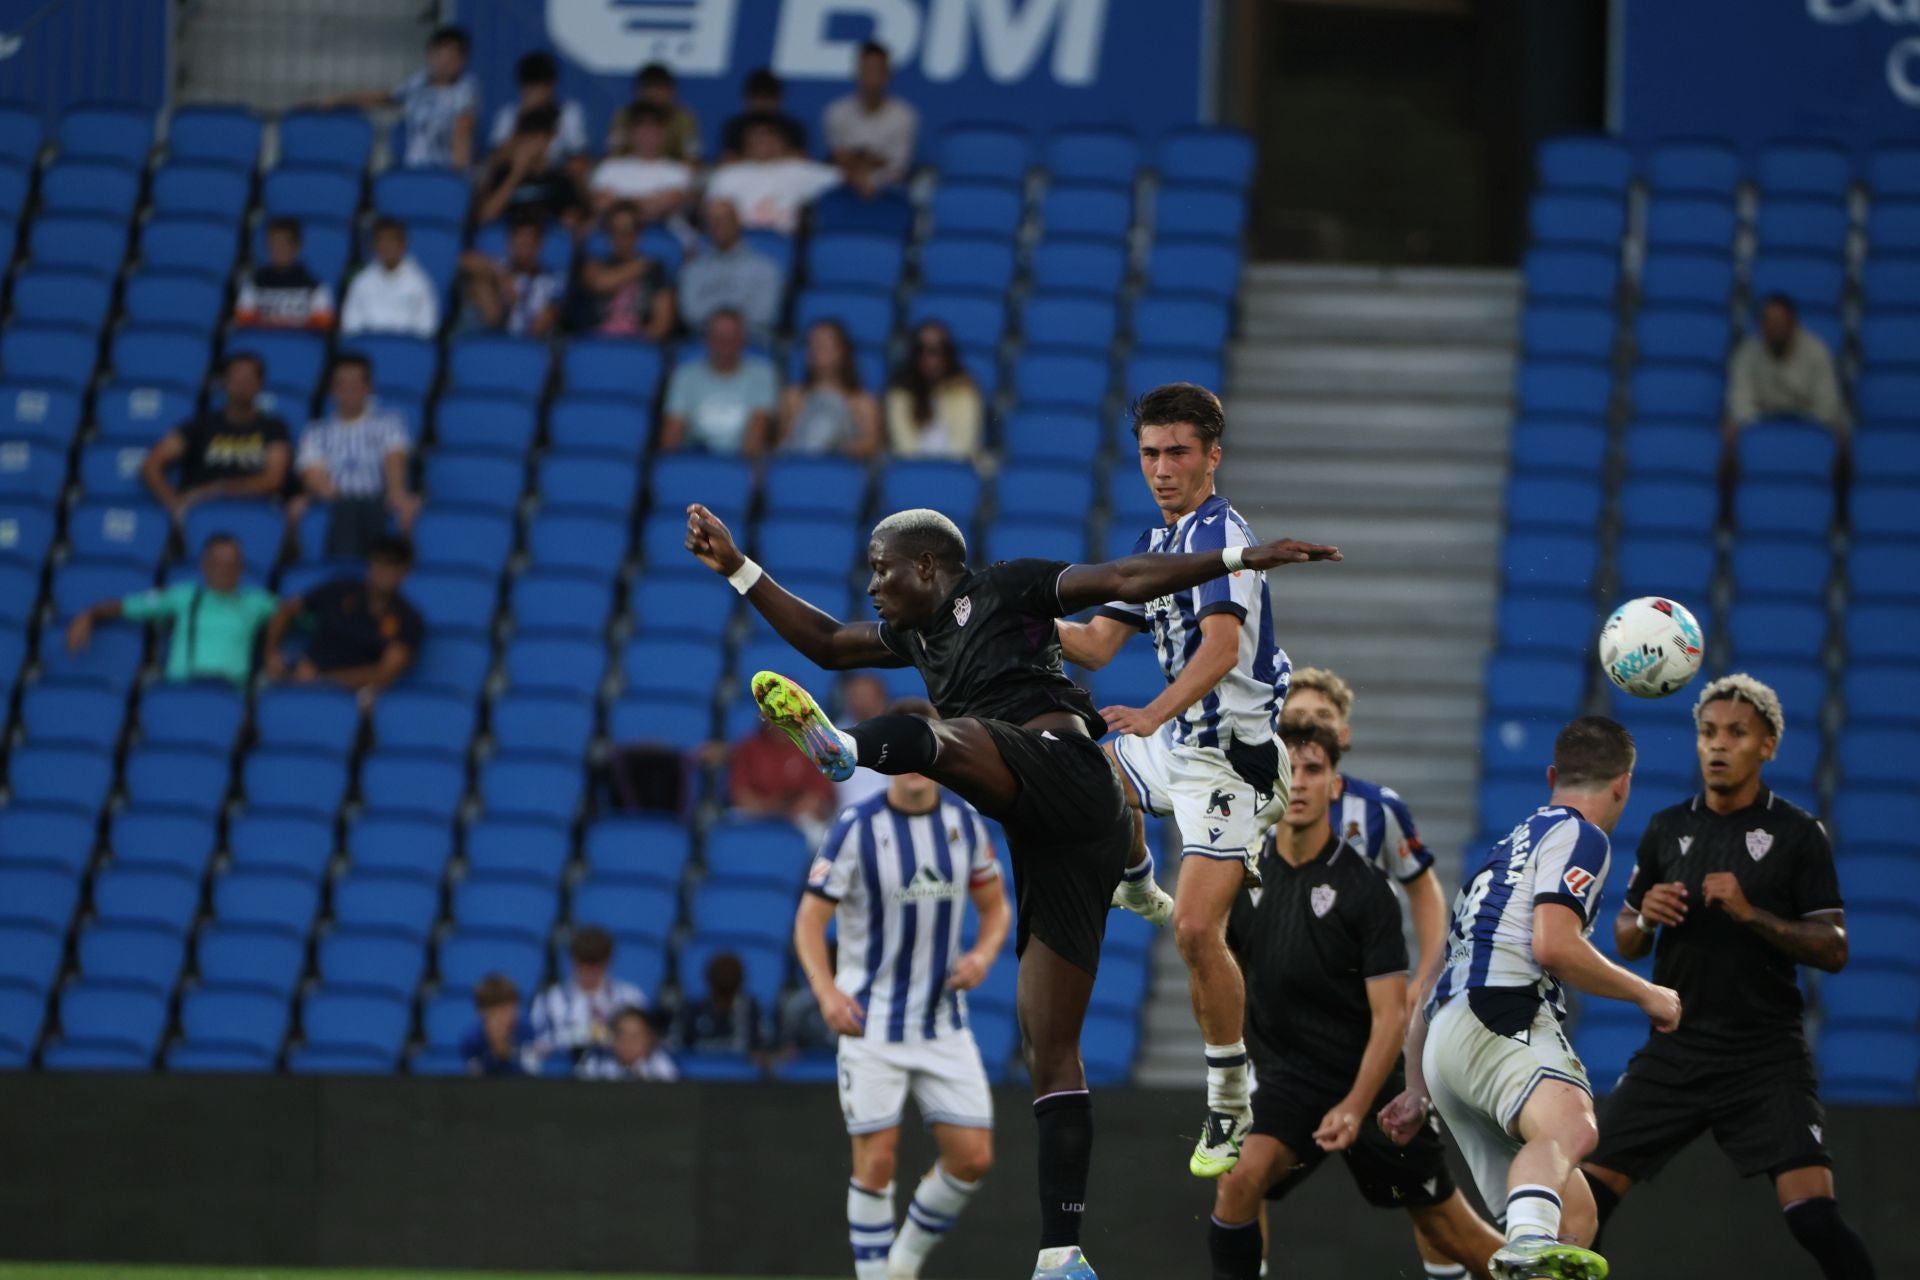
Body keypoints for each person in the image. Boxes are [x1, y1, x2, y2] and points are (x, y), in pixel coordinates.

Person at [683, 499, 1339, 1280]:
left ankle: (845, 752)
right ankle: (1063, 1254)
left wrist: (1234, 561)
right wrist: (737, 569)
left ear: (928, 565)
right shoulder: (913, 633)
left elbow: (1123, 576)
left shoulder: (1005, 587)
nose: (873, 586)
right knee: (1049, 1047)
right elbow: (826, 643)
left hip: (1064, 765)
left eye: (882, 570)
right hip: (1052, 834)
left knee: (933, 734)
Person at [1053, 383, 1291, 1180]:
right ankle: (1134, 879)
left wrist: (1152, 711)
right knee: (1076, 758)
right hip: (1177, 741)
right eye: (1151, 452)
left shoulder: (1224, 535)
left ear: (1212, 455)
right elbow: (1089, 647)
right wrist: (1008, 612)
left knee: (1195, 932)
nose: (1162, 468)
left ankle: (1229, 1097)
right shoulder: (1156, 541)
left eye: (1178, 452)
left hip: (1233, 760)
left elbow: (1221, 647)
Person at [1581, 675, 1872, 1279]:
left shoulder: (1797, 834)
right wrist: (1645, 918)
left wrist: (1751, 915)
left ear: (1767, 746)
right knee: (1583, 1202)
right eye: (1708, 732)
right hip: (1676, 1050)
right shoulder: (1667, 828)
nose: (1717, 745)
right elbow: (1626, 937)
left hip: (1764, 1055)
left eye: (1736, 733)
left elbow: (1834, 947)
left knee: (1813, 1216)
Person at [1210, 721, 1503, 1280]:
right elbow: (1227, 973)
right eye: (1286, 769)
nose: (1296, 783)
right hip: (1287, 1081)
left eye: (1312, 770)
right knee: (1238, 1179)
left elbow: (1391, 1015)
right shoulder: (1240, 876)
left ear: (1334, 787)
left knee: (1450, 1231)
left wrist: (1353, 1104)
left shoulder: (1367, 888)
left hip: (1369, 1083)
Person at [1395, 716, 1681, 1280]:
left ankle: (1531, 1247)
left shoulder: (1501, 853)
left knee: (1575, 1213)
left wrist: (1415, 1090)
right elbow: (1553, 945)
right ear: (1623, 784)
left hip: (1444, 1045)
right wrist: (1648, 994)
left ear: (1553, 775)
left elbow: (1431, 978)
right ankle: (1524, 1247)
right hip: (1500, 1013)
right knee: (1572, 1127)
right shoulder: (1581, 836)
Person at [794, 697, 1010, 1280]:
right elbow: (809, 922)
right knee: (877, 1161)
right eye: (904, 749)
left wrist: (984, 954)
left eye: (926, 747)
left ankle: (903, 1263)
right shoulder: (855, 828)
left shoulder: (962, 823)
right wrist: (826, 991)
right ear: (887, 758)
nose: (915, 762)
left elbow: (996, 909)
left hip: (943, 1022)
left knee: (972, 1158)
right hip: (872, 1023)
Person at [1281, 666, 1451, 999]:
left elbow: (1423, 889)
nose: (1311, 724)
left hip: (1360, 990)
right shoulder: (1251, 804)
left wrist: (1427, 978)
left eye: (1323, 715)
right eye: (1299, 715)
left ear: (1343, 734)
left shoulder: (1378, 808)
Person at [64, 534, 275, 687]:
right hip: (182, 690)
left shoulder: (256, 602)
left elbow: (293, 611)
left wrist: (272, 652)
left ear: (242, 568)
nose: (226, 571)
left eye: (232, 564)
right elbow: (128, 606)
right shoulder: (183, 595)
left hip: (228, 695)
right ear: (205, 566)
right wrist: (89, 614)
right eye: (218, 564)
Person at [292, 354, 418, 562]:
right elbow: (313, 476)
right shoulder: (316, 432)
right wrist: (339, 497)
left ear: (368, 388)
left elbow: (395, 461)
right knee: (345, 509)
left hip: (377, 500)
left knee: (390, 507)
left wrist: (397, 493)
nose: (349, 391)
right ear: (333, 389)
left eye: (356, 383)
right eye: (342, 384)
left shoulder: (388, 423)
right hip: (336, 501)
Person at [263, 535, 423, 698]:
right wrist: (271, 653)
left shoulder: (408, 619)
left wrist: (324, 682)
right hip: (304, 673)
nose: (384, 570)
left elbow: (386, 672)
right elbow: (285, 610)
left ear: (405, 571)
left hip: (355, 693)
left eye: (393, 565)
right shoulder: (340, 590)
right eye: (379, 561)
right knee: (262, 690)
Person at [140, 353, 291, 521]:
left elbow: (273, 479)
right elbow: (151, 465)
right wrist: (174, 504)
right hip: (201, 514)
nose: (242, 384)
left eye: (249, 378)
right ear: (224, 382)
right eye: (236, 377)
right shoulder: (200, 425)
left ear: (260, 384)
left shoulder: (274, 427)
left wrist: (221, 489)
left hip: (254, 513)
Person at [321, 24, 475, 170]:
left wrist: (455, 182)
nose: (445, 63)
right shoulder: (418, 82)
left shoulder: (465, 90)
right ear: (430, 54)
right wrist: (336, 100)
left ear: (462, 62)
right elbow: (384, 98)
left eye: (452, 59)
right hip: (411, 170)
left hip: (443, 174)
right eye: (440, 56)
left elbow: (463, 131)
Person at [1724, 294, 1851, 438]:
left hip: (1809, 427)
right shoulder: (1747, 353)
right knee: (1730, 430)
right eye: (1769, 323)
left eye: (1779, 322)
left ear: (1793, 323)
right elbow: (1740, 403)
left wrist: (1797, 425)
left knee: (1840, 432)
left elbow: (1827, 406)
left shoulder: (1817, 351)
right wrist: (1764, 424)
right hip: (1761, 426)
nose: (1775, 328)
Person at [659, 309, 780, 457]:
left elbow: (757, 432)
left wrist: (729, 474)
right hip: (695, 459)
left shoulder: (763, 374)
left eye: (731, 337)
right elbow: (672, 433)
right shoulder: (685, 376)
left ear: (742, 340)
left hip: (739, 464)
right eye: (719, 337)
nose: (724, 344)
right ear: (707, 340)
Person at [704, 116, 841, 234]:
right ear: (746, 144)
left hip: (789, 242)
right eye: (756, 137)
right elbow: (711, 210)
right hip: (742, 243)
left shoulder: (801, 169)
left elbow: (843, 176)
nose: (762, 142)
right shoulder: (728, 173)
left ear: (782, 141)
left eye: (768, 136)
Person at [530, 925, 649, 1057]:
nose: (591, 973)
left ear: (609, 962)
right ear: (573, 961)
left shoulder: (631, 998)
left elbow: (644, 1042)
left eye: (597, 966)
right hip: (563, 1074)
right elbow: (539, 1045)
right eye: (584, 965)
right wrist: (584, 1035)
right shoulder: (549, 1000)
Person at [678, 198, 784, 341]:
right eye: (713, 221)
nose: (719, 225)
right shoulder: (692, 270)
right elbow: (690, 314)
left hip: (752, 345)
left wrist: (719, 320)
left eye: (724, 219)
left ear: (737, 222)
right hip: (705, 346)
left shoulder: (765, 268)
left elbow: (764, 315)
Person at [777, 319, 883, 458]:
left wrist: (835, 449)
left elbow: (872, 447)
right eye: (812, 344)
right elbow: (781, 448)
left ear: (842, 350)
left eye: (825, 343)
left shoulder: (863, 402)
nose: (817, 348)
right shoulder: (792, 397)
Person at [824, 41, 919, 193]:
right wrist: (867, 161)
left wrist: (869, 174)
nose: (871, 77)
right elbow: (838, 158)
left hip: (886, 183)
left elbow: (898, 166)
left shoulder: (904, 115)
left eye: (877, 70)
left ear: (888, 75)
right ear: (857, 72)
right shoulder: (836, 111)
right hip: (845, 180)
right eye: (867, 69)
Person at [573, 202, 675, 340]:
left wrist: (636, 346)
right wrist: (640, 266)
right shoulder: (595, 264)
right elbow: (598, 283)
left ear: (639, 233)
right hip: (596, 344)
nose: (621, 236)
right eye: (614, 230)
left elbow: (662, 322)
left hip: (638, 347)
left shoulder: (656, 270)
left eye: (628, 230)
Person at [476, 105, 585, 229]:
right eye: (527, 139)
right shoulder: (502, 174)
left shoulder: (559, 179)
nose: (532, 147)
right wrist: (516, 174)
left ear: (548, 140)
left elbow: (571, 224)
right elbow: (485, 216)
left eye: (538, 139)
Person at [886, 322, 983, 460]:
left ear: (948, 354)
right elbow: (904, 448)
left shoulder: (964, 391)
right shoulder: (899, 393)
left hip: (955, 470)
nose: (930, 359)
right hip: (913, 472)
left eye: (936, 351)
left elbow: (964, 447)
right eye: (921, 350)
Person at [727, 716, 838, 835]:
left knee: (819, 833)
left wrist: (789, 812)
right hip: (757, 813)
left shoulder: (813, 747)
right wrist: (768, 810)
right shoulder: (749, 747)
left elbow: (818, 795)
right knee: (733, 823)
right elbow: (740, 793)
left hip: (797, 816)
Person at [457, 214, 563, 337]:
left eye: (529, 244)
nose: (524, 250)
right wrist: (502, 277)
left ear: (539, 245)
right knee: (479, 284)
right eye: (520, 243)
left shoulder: (553, 281)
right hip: (491, 331)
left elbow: (542, 323)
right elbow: (463, 260)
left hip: (529, 343)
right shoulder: (499, 266)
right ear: (510, 242)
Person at [588, 103, 693, 222]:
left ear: (664, 134)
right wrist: (652, 200)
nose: (647, 136)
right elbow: (601, 204)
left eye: (653, 130)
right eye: (642, 129)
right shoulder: (609, 167)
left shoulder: (678, 171)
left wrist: (620, 201)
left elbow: (670, 202)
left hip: (660, 235)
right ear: (631, 132)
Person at [339, 217, 439, 338]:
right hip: (369, 348)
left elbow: (427, 327)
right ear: (374, 246)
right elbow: (350, 325)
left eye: (391, 241)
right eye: (381, 241)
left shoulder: (420, 282)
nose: (386, 246)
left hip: (407, 351)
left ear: (403, 244)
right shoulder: (361, 281)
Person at [485, 51, 587, 167]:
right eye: (530, 88)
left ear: (552, 86)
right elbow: (495, 159)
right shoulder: (509, 115)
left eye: (541, 87)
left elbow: (579, 156)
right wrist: (523, 120)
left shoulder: (568, 113)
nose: (536, 94)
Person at [234, 217, 334, 331]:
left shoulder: (314, 285)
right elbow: (242, 319)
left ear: (297, 247)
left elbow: (324, 323)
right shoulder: (254, 283)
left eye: (284, 244)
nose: (278, 250)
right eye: (273, 245)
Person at [672, 951, 767, 1058]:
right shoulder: (691, 1011)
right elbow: (676, 1050)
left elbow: (762, 1053)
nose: (724, 1002)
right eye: (721, 995)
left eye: (728, 995)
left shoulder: (750, 1010)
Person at [607, 62, 702, 163]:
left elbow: (692, 159)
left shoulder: (685, 119)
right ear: (638, 91)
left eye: (659, 89)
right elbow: (614, 155)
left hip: (670, 172)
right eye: (648, 88)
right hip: (629, 171)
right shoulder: (623, 117)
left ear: (671, 91)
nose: (653, 94)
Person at [718, 67, 807, 161]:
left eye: (769, 97)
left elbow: (801, 158)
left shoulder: (793, 127)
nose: (764, 103)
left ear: (779, 99)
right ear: (748, 99)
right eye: (759, 97)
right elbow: (727, 158)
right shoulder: (734, 127)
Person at [834, 673, 892, 810]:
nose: (859, 701)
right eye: (854, 696)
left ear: (881, 697)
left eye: (865, 695)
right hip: (847, 814)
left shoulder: (900, 731)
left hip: (892, 813)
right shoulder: (834, 734)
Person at [577, 1007, 679, 1082]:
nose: (628, 1042)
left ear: (649, 1039)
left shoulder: (662, 1066)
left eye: (635, 1036)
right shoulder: (595, 1064)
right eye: (621, 1035)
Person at [462, 973, 535, 1077]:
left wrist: (507, 1052)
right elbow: (475, 1080)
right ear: (481, 1012)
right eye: (495, 1012)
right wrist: (494, 1052)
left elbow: (532, 1075)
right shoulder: (472, 1041)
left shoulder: (526, 1032)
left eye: (508, 1009)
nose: (502, 1017)